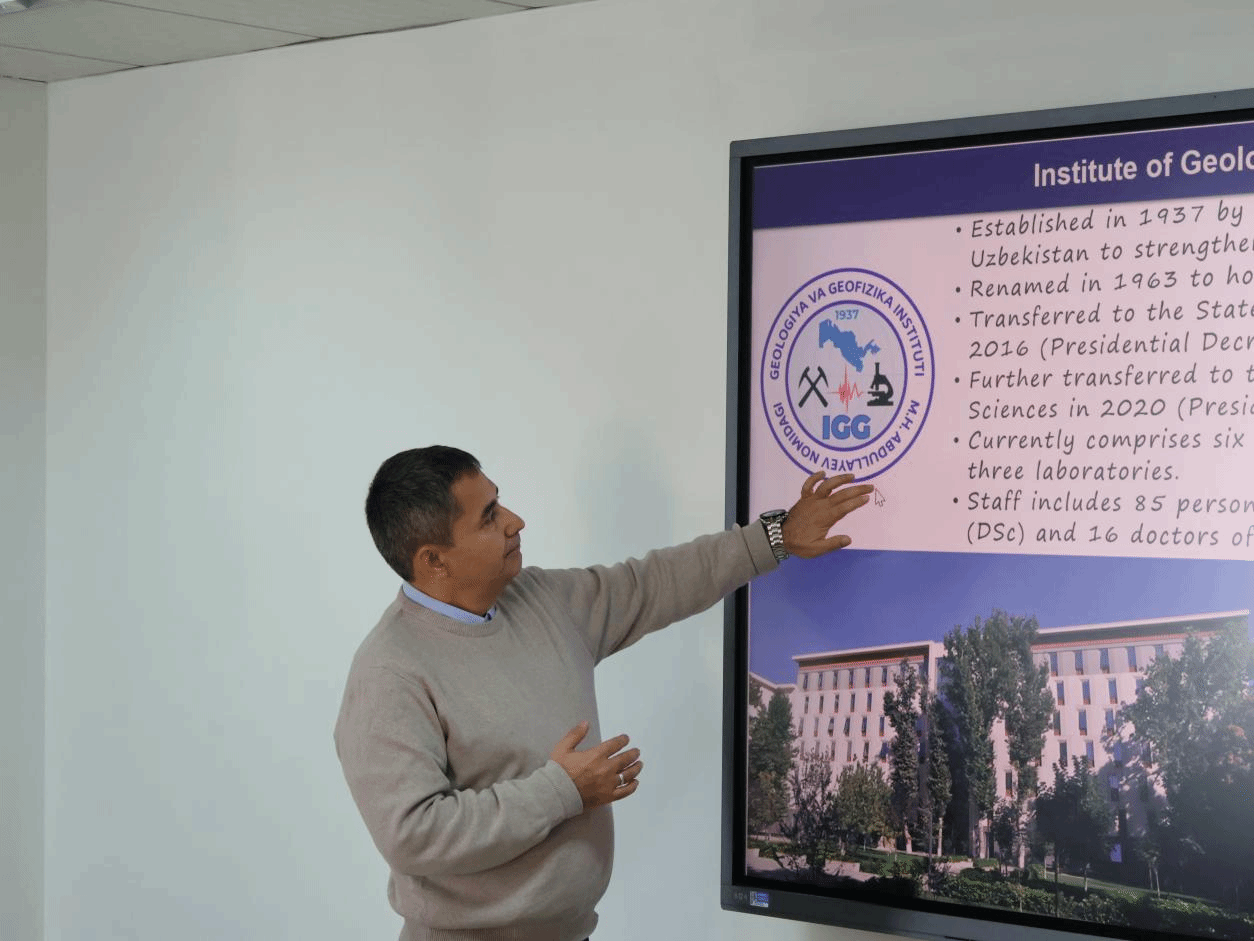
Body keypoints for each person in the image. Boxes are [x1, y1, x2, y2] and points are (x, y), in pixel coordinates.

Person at [334, 445, 873, 941]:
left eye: (500, 502)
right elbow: (415, 834)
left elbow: (653, 583)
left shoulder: (539, 599)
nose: (515, 521)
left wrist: (776, 537)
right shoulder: (390, 673)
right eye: (489, 516)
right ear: (433, 560)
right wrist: (563, 791)